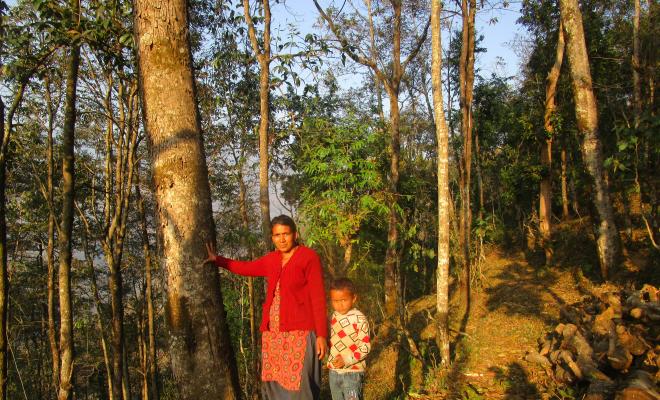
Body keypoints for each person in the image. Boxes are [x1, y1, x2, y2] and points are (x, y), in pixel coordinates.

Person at [204, 215, 328, 400]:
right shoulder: (272, 259)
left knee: (301, 385)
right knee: (275, 384)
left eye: (286, 234)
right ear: (272, 237)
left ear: (294, 234)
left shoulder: (308, 257)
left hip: (300, 332)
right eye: (277, 235)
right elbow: (246, 267)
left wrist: (322, 335)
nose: (282, 239)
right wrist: (219, 260)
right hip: (273, 333)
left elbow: (318, 297)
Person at [327, 278, 371, 400]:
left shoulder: (360, 319)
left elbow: (365, 347)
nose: (339, 305)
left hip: (353, 372)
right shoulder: (334, 316)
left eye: (344, 300)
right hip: (334, 371)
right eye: (335, 301)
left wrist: (346, 360)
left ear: (354, 298)